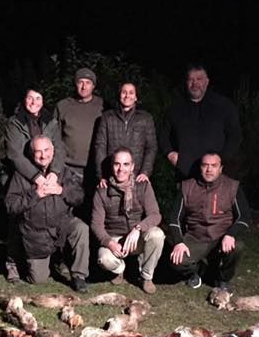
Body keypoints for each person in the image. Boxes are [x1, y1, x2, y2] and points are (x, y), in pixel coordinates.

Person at [5, 135, 90, 293]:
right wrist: (35, 194)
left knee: (81, 228)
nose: (43, 155)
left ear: (53, 151)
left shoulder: (63, 171)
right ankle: (19, 260)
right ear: (31, 154)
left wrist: (61, 190)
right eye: (38, 152)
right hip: (36, 232)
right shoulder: (21, 175)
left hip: (61, 225)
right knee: (38, 280)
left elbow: (79, 197)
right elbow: (11, 206)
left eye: (47, 150)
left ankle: (79, 275)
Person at [3, 88, 66, 283]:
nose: (34, 101)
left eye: (38, 98)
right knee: (17, 219)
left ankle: (52, 258)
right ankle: (12, 263)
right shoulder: (14, 123)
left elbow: (59, 148)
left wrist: (54, 173)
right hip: (20, 175)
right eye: (30, 97)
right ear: (24, 99)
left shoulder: (51, 121)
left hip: (47, 174)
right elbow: (15, 155)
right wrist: (36, 177)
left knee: (46, 216)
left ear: (43, 100)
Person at [167, 151, 250, 290]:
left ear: (220, 168)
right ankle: (197, 272)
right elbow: (174, 218)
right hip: (196, 236)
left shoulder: (232, 186)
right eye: (205, 165)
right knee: (176, 260)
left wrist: (231, 234)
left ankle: (223, 279)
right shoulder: (187, 186)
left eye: (214, 165)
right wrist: (179, 242)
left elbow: (244, 216)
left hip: (221, 236)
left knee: (238, 247)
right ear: (200, 167)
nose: (209, 169)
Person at [91, 148, 164, 294]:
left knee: (157, 235)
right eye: (117, 164)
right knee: (104, 259)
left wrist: (138, 229)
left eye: (125, 164)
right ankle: (120, 270)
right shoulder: (102, 190)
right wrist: (110, 243)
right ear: (112, 166)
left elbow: (156, 215)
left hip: (136, 236)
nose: (121, 169)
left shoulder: (143, 186)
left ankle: (146, 277)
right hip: (115, 238)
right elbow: (96, 225)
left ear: (132, 167)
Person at [159, 64, 242, 181]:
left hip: (218, 176)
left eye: (199, 79)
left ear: (207, 82)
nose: (195, 84)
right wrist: (169, 153)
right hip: (186, 175)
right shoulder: (175, 109)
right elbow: (163, 135)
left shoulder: (224, 106)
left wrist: (221, 160)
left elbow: (235, 135)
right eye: (191, 80)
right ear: (186, 82)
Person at [92, 81, 157, 189]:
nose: (127, 96)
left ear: (136, 97)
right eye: (124, 92)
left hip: (136, 178)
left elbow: (151, 147)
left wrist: (145, 172)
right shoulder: (107, 118)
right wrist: (101, 175)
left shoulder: (145, 119)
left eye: (131, 92)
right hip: (111, 177)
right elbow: (100, 146)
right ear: (119, 95)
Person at [56, 67, 105, 186]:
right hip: (68, 168)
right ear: (75, 84)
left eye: (88, 83)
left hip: (94, 168)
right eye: (80, 82)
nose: (84, 86)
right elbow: (55, 137)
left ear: (93, 86)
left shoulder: (103, 106)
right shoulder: (63, 106)